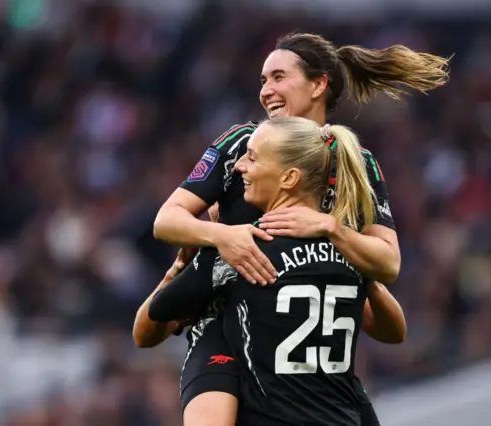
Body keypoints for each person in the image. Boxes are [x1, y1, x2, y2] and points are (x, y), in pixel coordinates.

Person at [149, 32, 449, 425]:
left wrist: (330, 228)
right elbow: (166, 221)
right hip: (226, 328)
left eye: (278, 77)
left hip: (306, 351)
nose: (266, 91)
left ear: (319, 84)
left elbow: (387, 263)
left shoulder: (354, 160)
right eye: (262, 81)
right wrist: (226, 237)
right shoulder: (240, 144)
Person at [150, 117, 402, 425]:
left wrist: (199, 252)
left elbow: (160, 310)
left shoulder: (245, 247)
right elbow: (395, 331)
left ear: (289, 178)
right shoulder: (353, 250)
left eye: (252, 157)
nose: (240, 166)